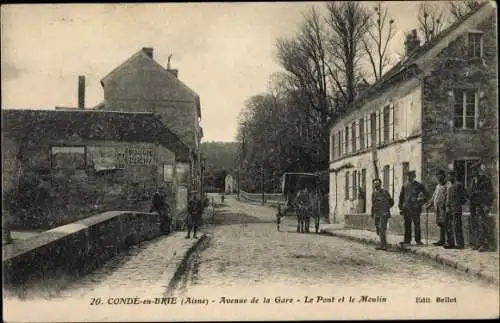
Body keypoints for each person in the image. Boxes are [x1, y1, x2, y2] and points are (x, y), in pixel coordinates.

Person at [468, 163, 494, 252]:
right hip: (474, 206)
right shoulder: (472, 180)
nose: (474, 171)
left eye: (475, 170)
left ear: (479, 170)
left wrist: (487, 205)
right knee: (475, 225)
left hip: (482, 205)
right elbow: (470, 192)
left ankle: (486, 245)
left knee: (483, 225)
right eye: (473, 170)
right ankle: (478, 243)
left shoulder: (485, 180)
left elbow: (490, 194)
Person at [398, 170, 428, 245]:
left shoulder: (419, 185)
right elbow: (401, 197)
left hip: (415, 208)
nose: (409, 177)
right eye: (408, 175)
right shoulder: (404, 185)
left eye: (410, 176)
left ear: (414, 176)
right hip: (407, 208)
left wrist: (420, 203)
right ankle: (407, 240)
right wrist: (401, 206)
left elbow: (426, 195)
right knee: (407, 225)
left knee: (417, 225)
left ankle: (418, 240)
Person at [424, 170, 448, 246]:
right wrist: (430, 204)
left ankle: (446, 241)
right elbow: (434, 196)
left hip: (444, 208)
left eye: (440, 175)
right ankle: (442, 240)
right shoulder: (438, 186)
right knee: (440, 224)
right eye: (437, 176)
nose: (439, 177)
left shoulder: (447, 186)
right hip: (437, 208)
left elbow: (448, 198)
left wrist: (446, 206)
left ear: (444, 176)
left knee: (445, 224)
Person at [444, 170, 467, 249]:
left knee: (457, 226)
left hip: (456, 208)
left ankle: (460, 244)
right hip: (449, 209)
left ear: (454, 176)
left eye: (450, 176)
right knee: (449, 226)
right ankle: (451, 243)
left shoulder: (459, 185)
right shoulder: (449, 186)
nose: (449, 177)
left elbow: (463, 198)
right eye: (448, 176)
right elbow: (448, 198)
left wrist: (458, 204)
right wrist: (447, 206)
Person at [371, 178, 394, 251]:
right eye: (375, 183)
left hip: (384, 214)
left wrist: (386, 210)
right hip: (377, 214)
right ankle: (384, 244)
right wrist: (372, 214)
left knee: (382, 229)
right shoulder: (373, 193)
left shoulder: (385, 192)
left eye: (377, 183)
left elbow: (391, 202)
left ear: (380, 184)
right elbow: (373, 204)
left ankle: (383, 246)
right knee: (378, 230)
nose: (376, 185)